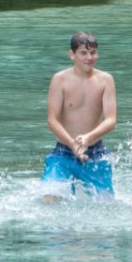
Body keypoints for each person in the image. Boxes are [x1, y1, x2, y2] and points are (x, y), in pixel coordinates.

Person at [41, 31, 116, 200]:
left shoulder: (106, 80)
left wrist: (88, 138)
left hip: (95, 153)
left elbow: (111, 120)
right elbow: (52, 120)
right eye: (83, 53)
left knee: (106, 206)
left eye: (93, 52)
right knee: (49, 199)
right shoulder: (60, 80)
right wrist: (72, 143)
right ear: (72, 54)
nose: (89, 57)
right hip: (63, 153)